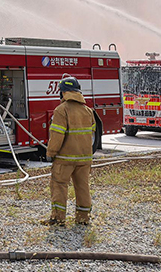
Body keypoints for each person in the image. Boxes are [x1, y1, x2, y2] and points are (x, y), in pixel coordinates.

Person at [43, 76, 95, 226]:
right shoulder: (88, 111)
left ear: (63, 92)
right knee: (83, 187)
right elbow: (91, 133)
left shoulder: (61, 110)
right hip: (84, 159)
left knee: (59, 185)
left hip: (64, 159)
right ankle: (83, 218)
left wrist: (51, 153)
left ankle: (58, 218)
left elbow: (57, 135)